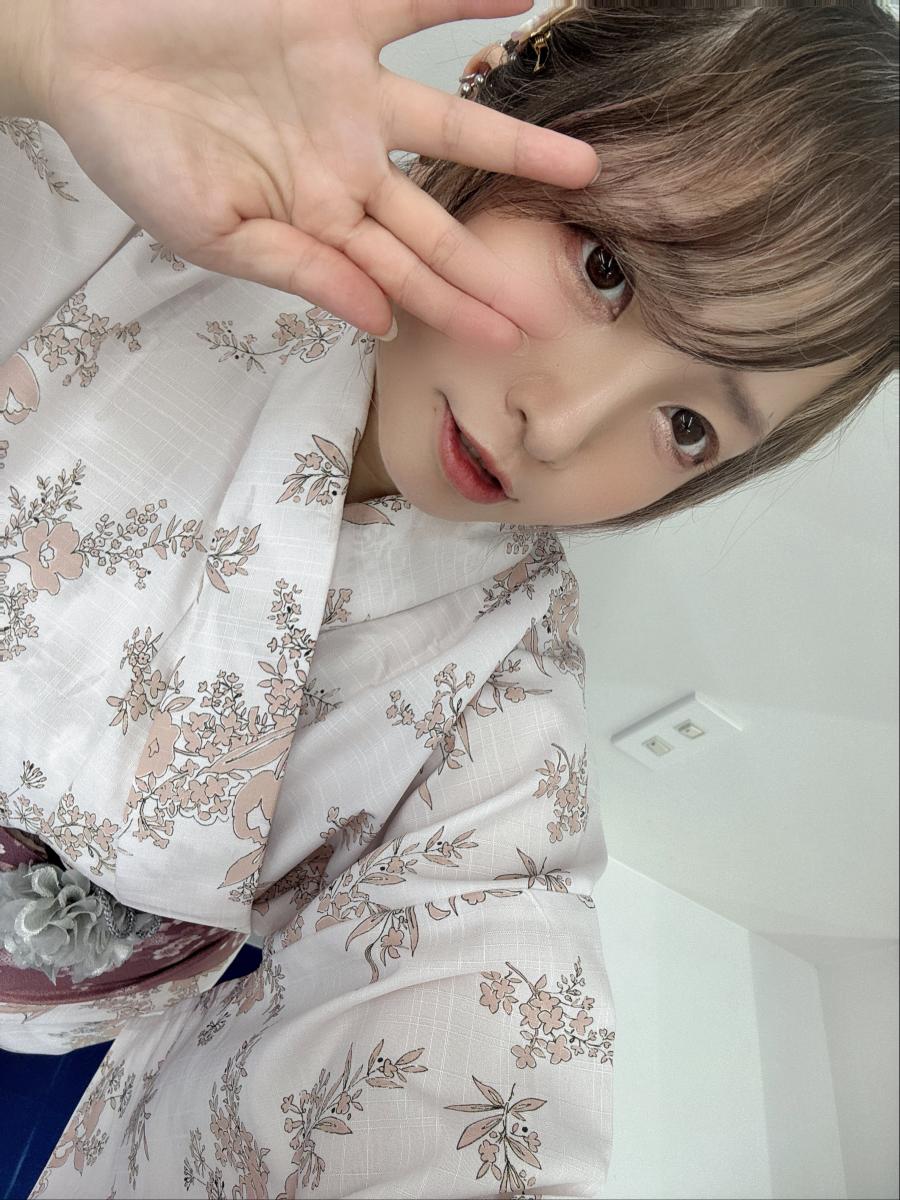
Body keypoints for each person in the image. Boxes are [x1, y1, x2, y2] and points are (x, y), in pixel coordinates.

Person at [0, 1, 895, 1197]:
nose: (561, 426)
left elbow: (488, 972)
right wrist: (36, 51)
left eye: (689, 424)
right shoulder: (129, 178)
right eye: (607, 267)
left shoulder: (498, 683)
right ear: (496, 86)